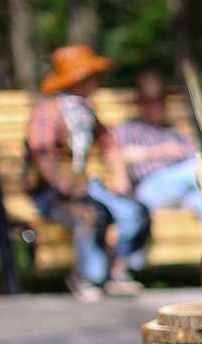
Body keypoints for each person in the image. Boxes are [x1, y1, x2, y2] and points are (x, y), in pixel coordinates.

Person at [22, 45, 150, 301]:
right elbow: (43, 153)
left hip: (84, 184)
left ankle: (117, 270)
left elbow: (108, 143)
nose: (97, 81)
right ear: (78, 79)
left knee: (134, 211)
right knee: (90, 215)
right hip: (51, 191)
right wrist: (69, 187)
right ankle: (88, 277)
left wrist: (118, 174)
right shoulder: (47, 111)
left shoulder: (85, 111)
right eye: (92, 76)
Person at [114, 71, 202, 214]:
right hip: (148, 188)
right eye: (150, 101)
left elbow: (195, 156)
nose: (157, 106)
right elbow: (121, 156)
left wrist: (186, 149)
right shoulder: (129, 128)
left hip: (179, 188)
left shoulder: (172, 130)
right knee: (198, 171)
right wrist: (160, 151)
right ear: (140, 103)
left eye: (160, 100)